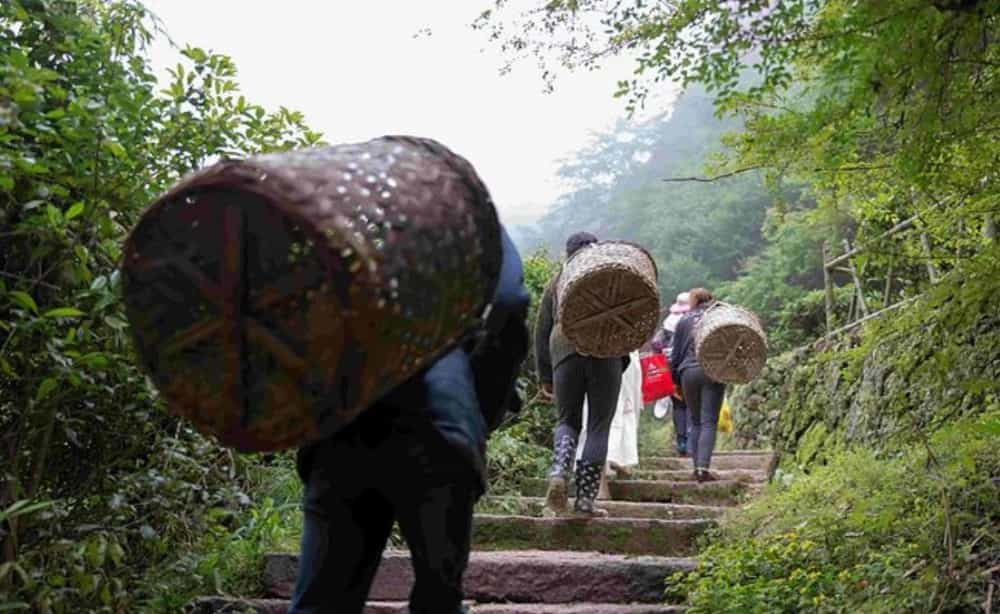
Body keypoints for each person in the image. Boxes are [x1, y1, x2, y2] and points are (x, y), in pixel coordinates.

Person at [290, 225, 531, 614]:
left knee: (321, 601)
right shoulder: (471, 222)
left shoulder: (343, 212)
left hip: (344, 423)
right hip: (438, 428)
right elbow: (509, 302)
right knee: (437, 600)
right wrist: (478, 409)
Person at [534, 232, 628, 518]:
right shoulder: (611, 276)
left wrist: (545, 376)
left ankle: (559, 473)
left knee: (568, 421)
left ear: (568, 253)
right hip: (606, 353)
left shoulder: (558, 280)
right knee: (599, 426)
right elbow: (629, 322)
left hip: (564, 350)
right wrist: (619, 360)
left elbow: (541, 329)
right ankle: (585, 502)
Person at [669, 287, 725, 482]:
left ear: (693, 301)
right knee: (708, 420)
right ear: (710, 299)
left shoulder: (683, 321)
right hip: (713, 371)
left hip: (688, 372)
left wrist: (675, 381)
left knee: (695, 420)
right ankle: (703, 468)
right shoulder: (718, 317)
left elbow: (675, 355)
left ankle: (695, 469)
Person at [575, 348, 642, 497]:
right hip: (620, 358)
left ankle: (600, 484)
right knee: (619, 413)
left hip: (586, 353)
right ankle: (617, 463)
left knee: (595, 420)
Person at [652, 293, 691, 455]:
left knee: (678, 405)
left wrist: (664, 354)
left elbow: (656, 343)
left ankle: (681, 440)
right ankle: (691, 439)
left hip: (671, 369)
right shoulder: (694, 321)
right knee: (692, 404)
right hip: (689, 367)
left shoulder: (668, 322)